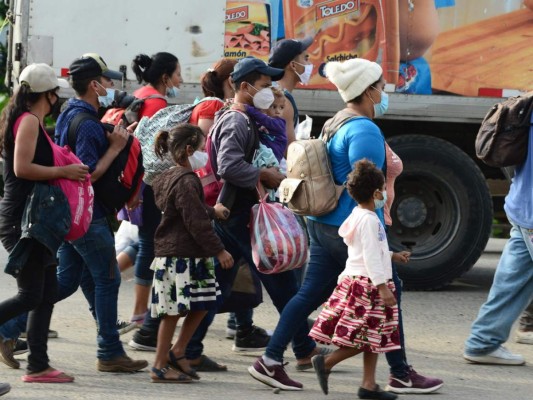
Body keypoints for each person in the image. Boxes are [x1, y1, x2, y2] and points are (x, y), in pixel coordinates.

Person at [248, 58, 443, 394]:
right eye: (381, 87)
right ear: (368, 91)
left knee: (309, 294)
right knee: (386, 294)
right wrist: (379, 239)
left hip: (324, 224)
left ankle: (270, 359)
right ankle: (399, 373)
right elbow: (364, 185)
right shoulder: (364, 129)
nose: (384, 93)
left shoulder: (338, 121)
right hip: (351, 226)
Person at [54, 53, 148, 372]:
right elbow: (87, 173)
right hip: (86, 216)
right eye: (107, 81)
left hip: (70, 212)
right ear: (94, 85)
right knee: (107, 279)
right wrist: (116, 148)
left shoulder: (69, 112)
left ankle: (8, 327)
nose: (111, 86)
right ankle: (109, 352)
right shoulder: (89, 125)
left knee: (67, 280)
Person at [0, 63, 85, 382]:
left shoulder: (30, 120)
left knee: (46, 292)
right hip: (24, 222)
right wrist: (63, 172)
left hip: (37, 221)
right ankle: (37, 365)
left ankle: (38, 365)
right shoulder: (28, 122)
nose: (58, 97)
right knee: (31, 295)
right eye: (56, 92)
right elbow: (22, 168)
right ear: (47, 95)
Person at [309, 159, 404, 400]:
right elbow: (371, 256)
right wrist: (382, 287)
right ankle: (327, 362)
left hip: (360, 280)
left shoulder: (359, 214)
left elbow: (368, 250)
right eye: (383, 189)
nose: (385, 193)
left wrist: (394, 255)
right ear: (375, 193)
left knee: (375, 336)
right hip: (368, 286)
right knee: (364, 337)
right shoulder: (371, 220)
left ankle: (369, 385)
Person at [148, 123, 233, 383]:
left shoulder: (168, 177)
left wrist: (212, 211)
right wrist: (219, 250)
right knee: (173, 312)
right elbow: (193, 219)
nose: (204, 154)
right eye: (200, 148)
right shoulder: (186, 180)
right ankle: (160, 366)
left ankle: (179, 350)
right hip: (180, 257)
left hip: (186, 255)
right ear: (188, 150)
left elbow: (189, 208)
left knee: (204, 303)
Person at [463, 109, 533, 365]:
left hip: (522, 208)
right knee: (512, 283)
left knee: (511, 283)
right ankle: (483, 341)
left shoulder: (526, 109)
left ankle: (483, 342)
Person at [127, 52, 183, 329]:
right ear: (165, 77)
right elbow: (148, 150)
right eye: (177, 74)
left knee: (144, 242)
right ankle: (141, 313)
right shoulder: (157, 102)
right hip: (147, 183)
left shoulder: (141, 93)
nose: (180, 80)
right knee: (149, 244)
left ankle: (143, 311)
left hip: (138, 181)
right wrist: (138, 188)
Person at [268, 37, 314, 145]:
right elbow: (288, 150)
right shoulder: (283, 102)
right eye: (306, 59)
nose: (310, 64)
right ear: (293, 65)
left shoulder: (277, 94)